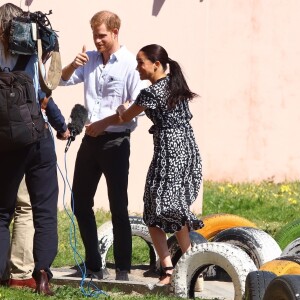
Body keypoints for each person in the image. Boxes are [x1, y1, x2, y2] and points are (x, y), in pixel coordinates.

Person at [84, 44, 204, 285]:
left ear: (155, 65)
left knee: (153, 211)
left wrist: (121, 107)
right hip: (188, 148)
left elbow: (125, 117)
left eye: (141, 63)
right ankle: (192, 268)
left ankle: (169, 270)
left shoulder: (151, 93)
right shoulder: (174, 84)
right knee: (177, 208)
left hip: (169, 152)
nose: (137, 67)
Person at [59, 10, 145, 281]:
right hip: (90, 140)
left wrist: (106, 123)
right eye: (94, 35)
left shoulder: (130, 63)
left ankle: (123, 269)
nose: (97, 41)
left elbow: (137, 106)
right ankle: (94, 263)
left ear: (115, 32)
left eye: (102, 36)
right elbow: (60, 79)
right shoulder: (91, 60)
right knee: (80, 202)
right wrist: (74, 64)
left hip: (117, 141)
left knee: (118, 205)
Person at [0, 3, 69, 295]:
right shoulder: (30, 48)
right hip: (38, 138)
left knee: (2, 213)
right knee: (44, 212)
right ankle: (42, 276)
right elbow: (44, 93)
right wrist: (61, 125)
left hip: (6, 142)